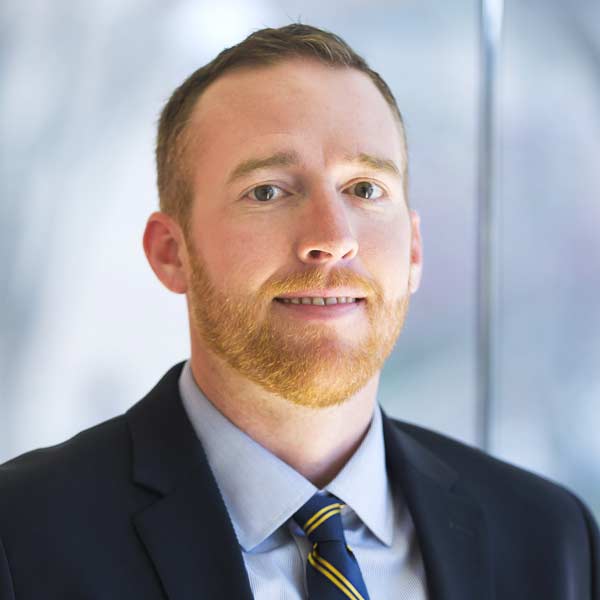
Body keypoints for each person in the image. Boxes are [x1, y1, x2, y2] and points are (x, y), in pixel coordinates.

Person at [0, 23, 597, 600]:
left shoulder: (550, 539)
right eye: (267, 191)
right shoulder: (23, 538)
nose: (332, 238)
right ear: (170, 253)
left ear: (413, 249)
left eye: (365, 189)